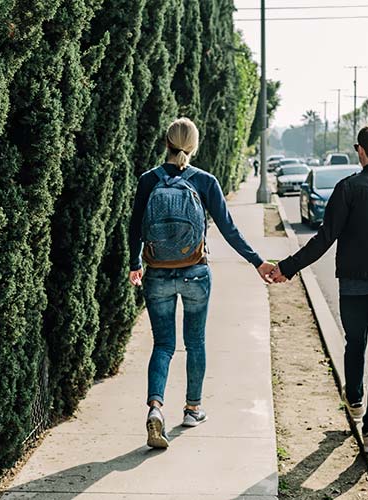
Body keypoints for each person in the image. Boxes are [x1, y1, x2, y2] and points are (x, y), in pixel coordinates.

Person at [270, 123, 368, 454]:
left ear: (360, 150)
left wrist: (287, 268)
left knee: (355, 343)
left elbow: (325, 238)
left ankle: (354, 399)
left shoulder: (348, 188)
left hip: (354, 285)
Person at [128, 117, 275, 449]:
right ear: (194, 146)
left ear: (166, 143)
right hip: (196, 272)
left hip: (158, 274)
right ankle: (193, 408)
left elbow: (135, 227)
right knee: (195, 342)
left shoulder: (149, 180)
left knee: (163, 345)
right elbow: (228, 228)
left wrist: (135, 263)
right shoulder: (205, 181)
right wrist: (257, 261)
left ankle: (155, 408)